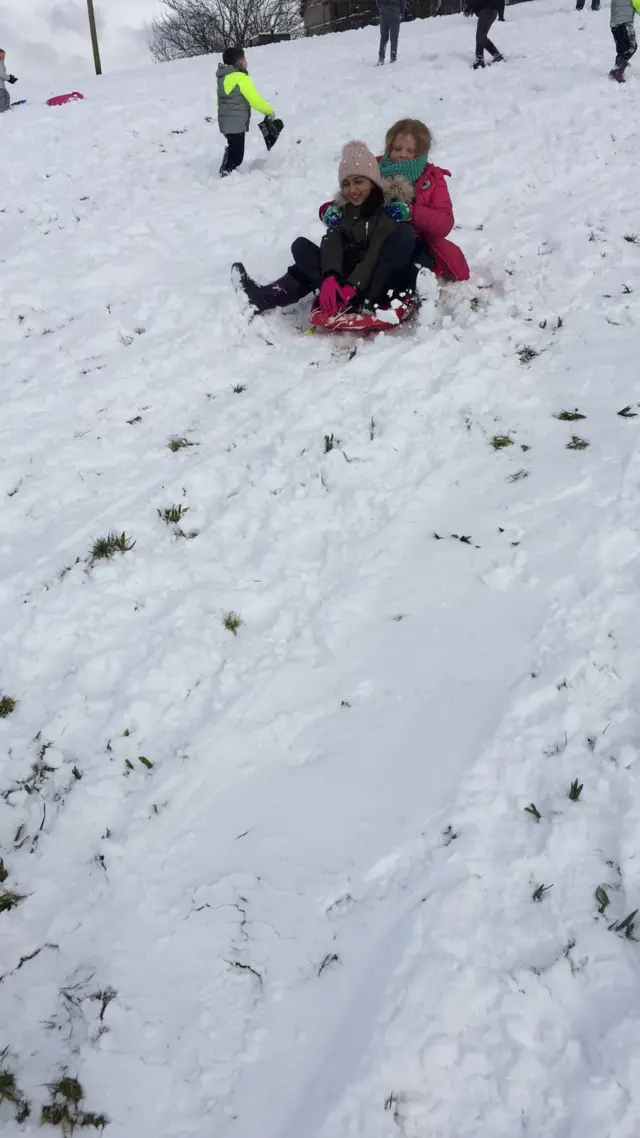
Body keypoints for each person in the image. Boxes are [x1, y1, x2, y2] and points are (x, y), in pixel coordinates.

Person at [232, 141, 417, 316]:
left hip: (375, 283)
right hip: (347, 282)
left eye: (359, 181)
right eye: (346, 183)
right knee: (301, 247)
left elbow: (374, 254)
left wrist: (353, 286)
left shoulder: (385, 210)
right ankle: (263, 298)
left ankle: (360, 302)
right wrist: (330, 277)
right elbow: (332, 242)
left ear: (373, 182)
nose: (352, 189)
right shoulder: (344, 209)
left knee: (398, 240)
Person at [376, 118, 469, 282]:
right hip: (376, 238)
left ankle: (403, 303)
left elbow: (444, 223)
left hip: (417, 244)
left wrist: (412, 212)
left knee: (418, 270)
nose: (403, 155)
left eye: (410, 151)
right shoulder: (373, 168)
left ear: (421, 153)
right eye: (397, 148)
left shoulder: (432, 179)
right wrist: (328, 209)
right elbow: (350, 194)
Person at [216, 46, 275, 177]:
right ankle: (226, 172)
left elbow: (219, 101)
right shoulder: (241, 78)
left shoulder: (223, 78)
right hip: (235, 122)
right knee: (237, 156)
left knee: (233, 146)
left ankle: (227, 164)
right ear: (240, 62)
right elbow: (254, 100)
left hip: (224, 121)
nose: (246, 62)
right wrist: (269, 111)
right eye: (244, 59)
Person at [464, 0, 505, 69]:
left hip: (489, 9)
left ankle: (480, 59)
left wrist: (501, 15)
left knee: (480, 35)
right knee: (481, 36)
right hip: (484, 11)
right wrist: (469, 7)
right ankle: (497, 55)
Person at [609, 0, 637, 80]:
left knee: (622, 49)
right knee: (632, 47)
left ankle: (617, 70)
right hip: (624, 22)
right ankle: (617, 70)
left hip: (614, 23)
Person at [377, 0, 405, 65]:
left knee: (383, 37)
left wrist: (381, 7)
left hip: (383, 11)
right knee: (394, 37)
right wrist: (402, 12)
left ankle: (381, 57)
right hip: (395, 11)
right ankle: (393, 57)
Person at [0, 49, 18, 113]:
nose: (3, 56)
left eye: (4, 55)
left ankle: (6, 111)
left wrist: (10, 78)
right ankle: (2, 112)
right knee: (2, 99)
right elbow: (1, 73)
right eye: (1, 54)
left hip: (2, 85)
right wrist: (9, 78)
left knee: (7, 96)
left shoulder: (1, 63)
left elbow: (2, 75)